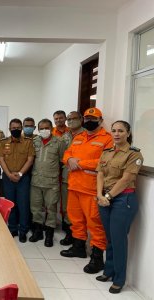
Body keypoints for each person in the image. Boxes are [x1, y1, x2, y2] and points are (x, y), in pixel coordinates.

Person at [60, 107, 113, 274]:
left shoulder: (107, 139)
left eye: (93, 119)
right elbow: (66, 155)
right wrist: (70, 159)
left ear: (100, 120)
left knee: (95, 223)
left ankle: (97, 259)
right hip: (74, 185)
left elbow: (106, 161)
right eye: (87, 119)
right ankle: (78, 247)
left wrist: (80, 163)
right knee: (75, 219)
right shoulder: (79, 137)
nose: (90, 122)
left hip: (91, 188)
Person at [95, 121, 143, 294]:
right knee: (110, 238)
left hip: (123, 200)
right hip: (104, 199)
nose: (116, 134)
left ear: (128, 133)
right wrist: (100, 195)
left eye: (121, 131)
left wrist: (108, 196)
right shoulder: (107, 152)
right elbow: (100, 173)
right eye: (114, 131)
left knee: (119, 240)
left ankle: (119, 279)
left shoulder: (134, 155)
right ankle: (109, 271)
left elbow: (125, 179)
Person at [0, 118, 35, 243]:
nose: (16, 130)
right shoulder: (3, 142)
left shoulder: (28, 142)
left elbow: (30, 159)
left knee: (23, 205)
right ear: (9, 129)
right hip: (8, 178)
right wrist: (8, 174)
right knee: (10, 204)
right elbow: (1, 159)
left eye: (18, 128)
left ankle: (23, 230)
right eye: (13, 128)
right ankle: (12, 228)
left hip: (23, 178)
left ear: (21, 128)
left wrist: (19, 174)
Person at [29, 119, 65, 247]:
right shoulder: (34, 142)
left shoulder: (59, 142)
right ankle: (38, 232)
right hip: (36, 181)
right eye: (41, 128)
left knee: (51, 208)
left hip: (51, 183)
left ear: (51, 128)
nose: (44, 130)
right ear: (38, 130)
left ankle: (49, 234)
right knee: (36, 208)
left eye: (47, 128)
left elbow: (62, 161)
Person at [59, 111, 85, 245]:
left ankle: (79, 238)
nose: (70, 121)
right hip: (66, 177)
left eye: (74, 118)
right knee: (68, 207)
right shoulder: (65, 136)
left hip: (83, 177)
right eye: (69, 119)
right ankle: (70, 234)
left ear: (81, 119)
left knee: (81, 210)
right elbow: (61, 156)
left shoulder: (87, 134)